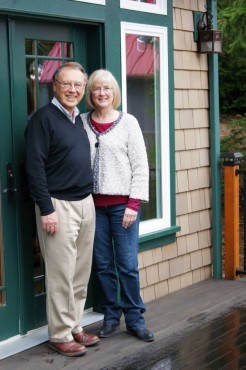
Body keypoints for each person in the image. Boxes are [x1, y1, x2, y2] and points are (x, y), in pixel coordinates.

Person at [25, 62, 99, 357]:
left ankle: (75, 326)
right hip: (58, 205)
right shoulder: (43, 119)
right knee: (61, 274)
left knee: (80, 271)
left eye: (78, 85)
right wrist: (46, 209)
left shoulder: (78, 119)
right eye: (66, 84)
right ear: (54, 86)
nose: (72, 90)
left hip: (85, 203)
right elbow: (34, 167)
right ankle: (59, 333)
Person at [81, 69, 154, 342]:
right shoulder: (81, 121)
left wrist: (134, 203)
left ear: (114, 93)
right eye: (97, 89)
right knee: (102, 264)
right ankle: (111, 315)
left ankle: (135, 318)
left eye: (107, 89)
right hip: (92, 207)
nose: (102, 93)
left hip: (124, 206)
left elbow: (140, 165)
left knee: (126, 264)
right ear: (91, 94)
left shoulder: (128, 122)